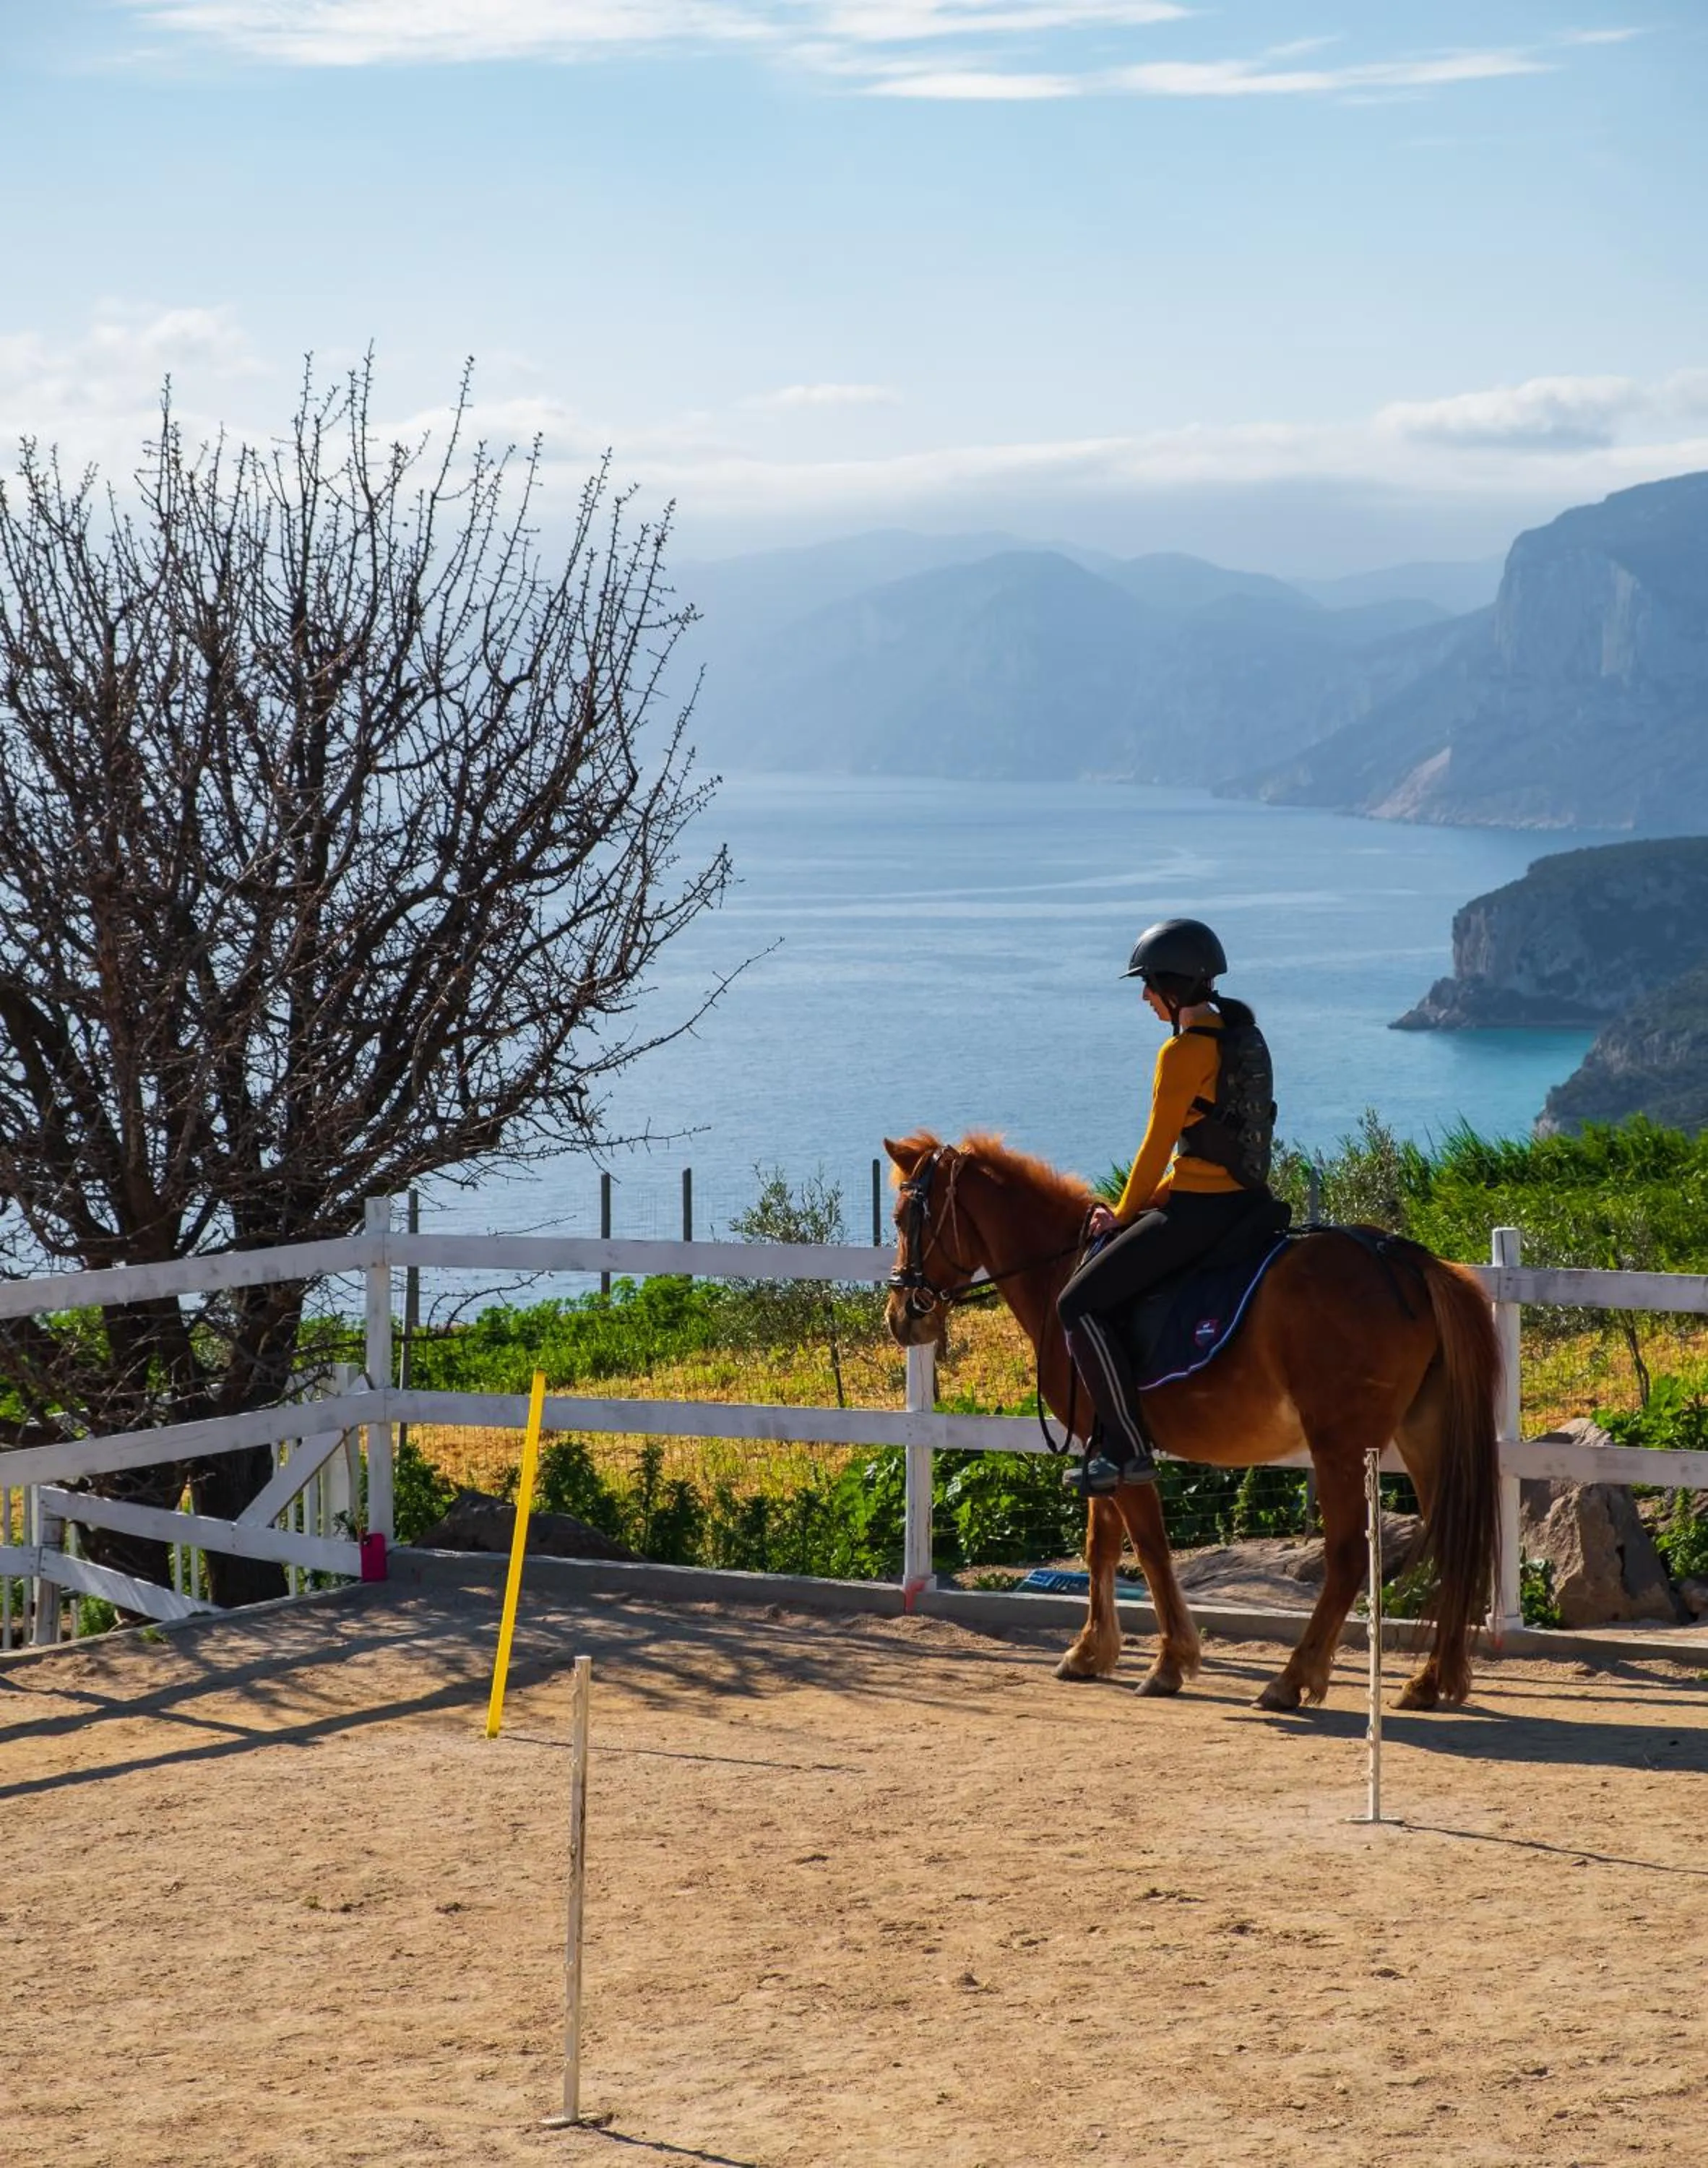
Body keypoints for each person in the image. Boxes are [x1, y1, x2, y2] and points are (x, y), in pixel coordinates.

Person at [1058, 917, 1277, 1496]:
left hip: (1200, 1214)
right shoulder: (1241, 1036)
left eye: (1150, 985)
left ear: (1174, 987)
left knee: (1077, 1303)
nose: (1144, 997)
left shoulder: (1181, 1054)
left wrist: (1123, 1214)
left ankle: (1126, 1447)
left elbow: (1158, 1148)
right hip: (1249, 1205)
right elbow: (1209, 1144)